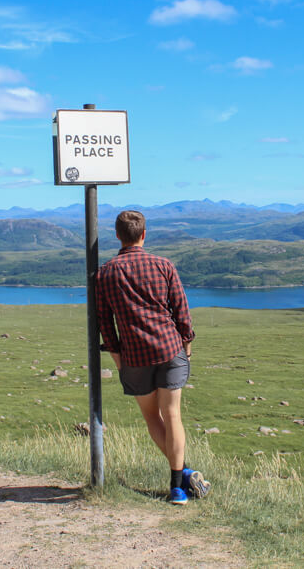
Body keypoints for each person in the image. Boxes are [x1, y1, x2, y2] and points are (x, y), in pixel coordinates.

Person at [96, 210, 210, 505]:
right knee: (173, 416)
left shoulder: (106, 272)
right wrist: (186, 343)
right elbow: (181, 309)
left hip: (134, 356)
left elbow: (105, 323)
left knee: (152, 417)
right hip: (169, 349)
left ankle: (183, 475)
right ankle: (179, 485)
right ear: (144, 234)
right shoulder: (163, 265)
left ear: (118, 236)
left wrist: (118, 359)